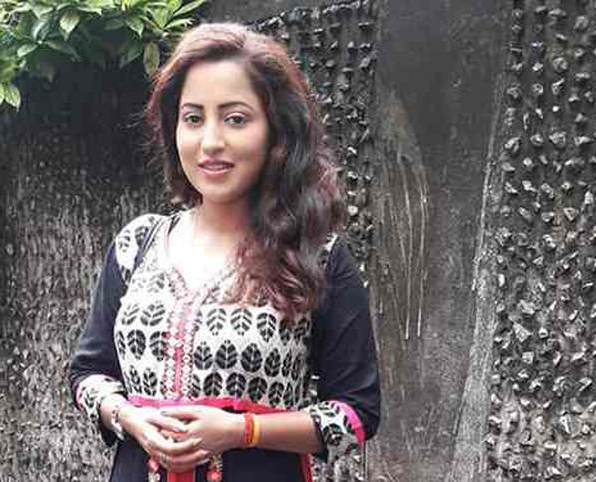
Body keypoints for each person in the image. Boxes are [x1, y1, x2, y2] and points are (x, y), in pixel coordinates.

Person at [68, 22, 380, 482]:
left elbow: (356, 415)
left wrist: (242, 430)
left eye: (235, 119)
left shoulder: (315, 255)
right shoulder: (138, 245)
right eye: (193, 118)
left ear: (277, 132)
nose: (210, 142)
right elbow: (88, 373)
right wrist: (128, 416)